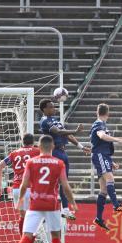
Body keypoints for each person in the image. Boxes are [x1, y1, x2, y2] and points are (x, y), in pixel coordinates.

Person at [8, 135, 78, 243]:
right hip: (52, 204)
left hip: (35, 204)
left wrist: (21, 200)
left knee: (26, 235)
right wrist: (72, 203)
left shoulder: (32, 162)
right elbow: (65, 186)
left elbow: (24, 184)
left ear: (39, 147)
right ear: (52, 146)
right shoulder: (58, 163)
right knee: (55, 236)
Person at [39, 90, 90, 220]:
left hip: (62, 152)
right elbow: (59, 132)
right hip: (53, 152)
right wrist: (76, 130)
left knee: (64, 182)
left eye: (54, 106)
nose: (54, 108)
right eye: (51, 107)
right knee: (54, 182)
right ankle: (45, 208)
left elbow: (67, 134)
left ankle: (65, 209)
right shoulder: (45, 121)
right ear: (44, 109)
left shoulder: (55, 120)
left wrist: (81, 146)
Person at [0, 133, 40, 243]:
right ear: (33, 142)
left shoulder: (14, 153)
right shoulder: (37, 151)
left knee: (23, 217)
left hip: (17, 189)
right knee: (33, 218)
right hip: (31, 188)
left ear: (22, 142)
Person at [90, 103, 122, 231]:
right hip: (100, 155)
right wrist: (117, 139)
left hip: (103, 156)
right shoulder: (99, 124)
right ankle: (116, 205)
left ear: (97, 112)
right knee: (110, 179)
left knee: (103, 190)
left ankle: (98, 218)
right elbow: (101, 136)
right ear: (108, 113)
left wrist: (111, 162)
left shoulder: (101, 124)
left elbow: (101, 144)